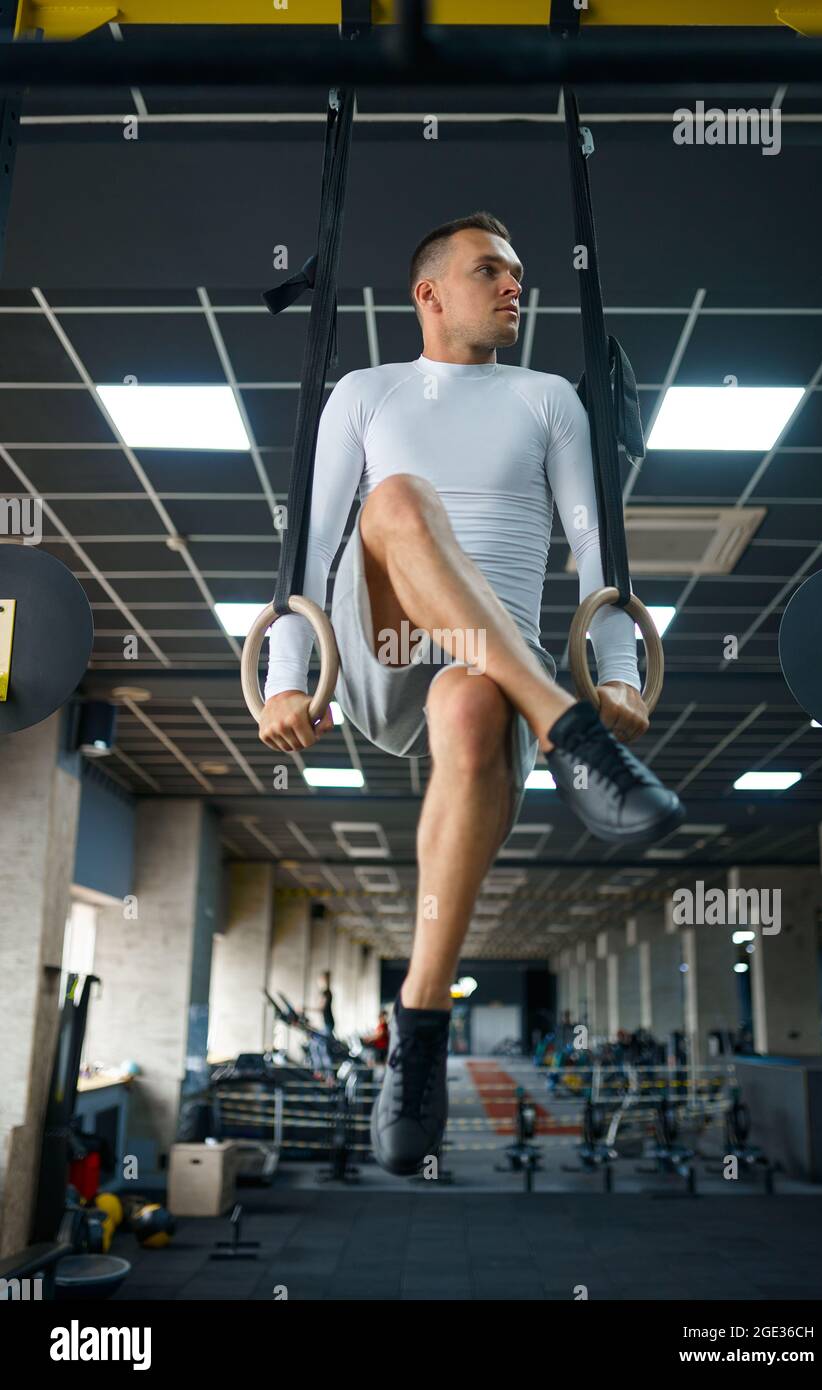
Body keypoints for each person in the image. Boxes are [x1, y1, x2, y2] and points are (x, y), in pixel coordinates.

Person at [259, 211, 683, 1176]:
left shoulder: (549, 401)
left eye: (519, 273)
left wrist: (619, 669)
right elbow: (309, 546)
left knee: (471, 699)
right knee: (397, 500)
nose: (511, 286)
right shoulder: (364, 393)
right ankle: (568, 730)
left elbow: (596, 558)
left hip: (489, 671)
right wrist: (286, 679)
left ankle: (420, 1021)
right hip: (381, 641)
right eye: (489, 270)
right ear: (428, 293)